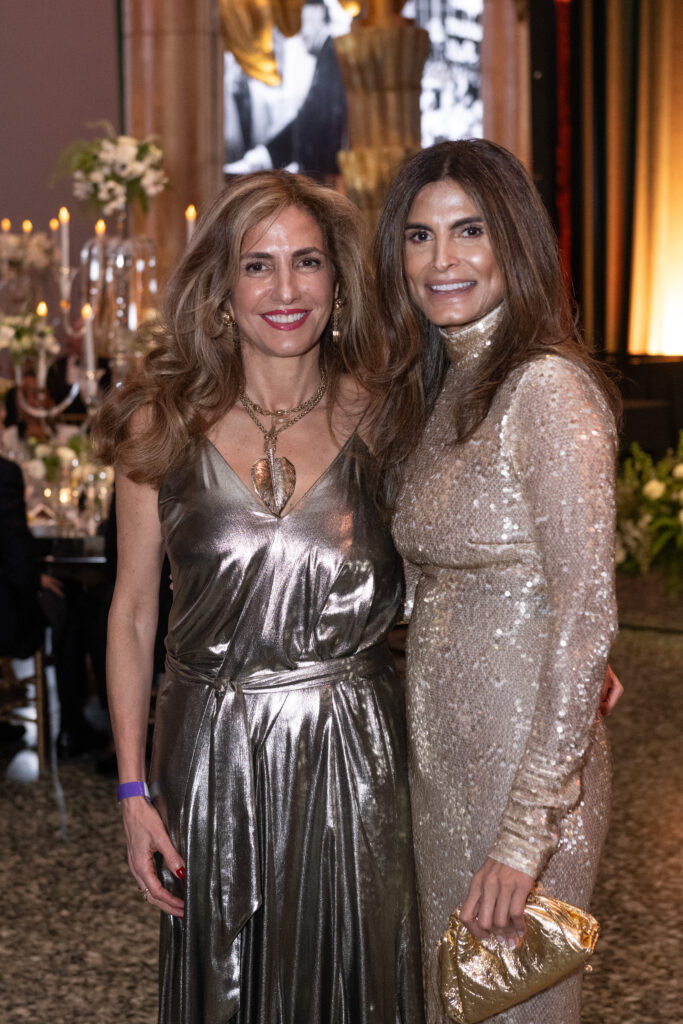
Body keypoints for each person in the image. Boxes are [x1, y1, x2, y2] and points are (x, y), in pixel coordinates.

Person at [93, 170, 424, 1024]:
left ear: (338, 282)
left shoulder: (386, 419)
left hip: (355, 753)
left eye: (306, 262)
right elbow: (132, 615)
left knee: (359, 979)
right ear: (220, 292)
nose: (284, 289)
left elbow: (461, 559)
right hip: (210, 753)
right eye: (258, 265)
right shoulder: (159, 426)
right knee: (224, 986)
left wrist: (557, 645)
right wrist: (132, 794)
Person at [373, 139, 621, 1023]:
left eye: (467, 230)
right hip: (443, 762)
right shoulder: (444, 387)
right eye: (418, 236)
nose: (441, 261)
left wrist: (524, 839)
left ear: (511, 238)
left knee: (512, 1008)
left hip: (525, 783)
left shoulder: (545, 388)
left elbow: (585, 611)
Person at [225, 0, 347, 180]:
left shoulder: (331, 51)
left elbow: (315, 118)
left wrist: (266, 156)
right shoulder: (326, 53)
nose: (299, 33)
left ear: (318, 12)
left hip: (327, 178)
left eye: (300, 15)